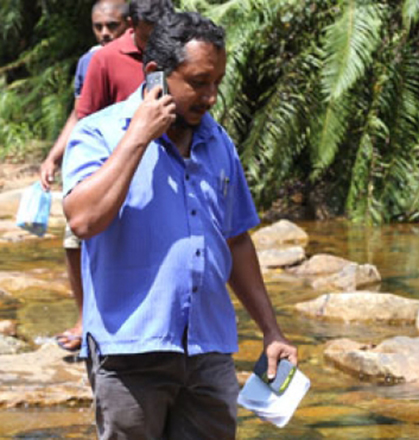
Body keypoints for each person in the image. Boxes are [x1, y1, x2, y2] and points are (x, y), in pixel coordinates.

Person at [62, 11, 298, 439]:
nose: (211, 97)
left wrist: (271, 330)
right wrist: (138, 137)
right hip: (130, 351)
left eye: (217, 82)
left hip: (209, 350)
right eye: (199, 82)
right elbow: (83, 220)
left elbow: (236, 240)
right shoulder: (99, 134)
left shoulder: (218, 141)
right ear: (156, 73)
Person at [38, 0, 130, 352]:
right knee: (74, 240)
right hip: (92, 165)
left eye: (112, 25)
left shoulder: (147, 58)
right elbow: (80, 113)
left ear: (129, 24)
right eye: (98, 26)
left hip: (131, 165)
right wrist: (54, 157)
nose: (105, 33)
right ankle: (84, 318)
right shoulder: (89, 62)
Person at [77, 0, 175, 119]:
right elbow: (86, 118)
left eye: (162, 37)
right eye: (147, 38)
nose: (156, 44)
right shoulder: (104, 59)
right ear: (131, 24)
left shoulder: (181, 52)